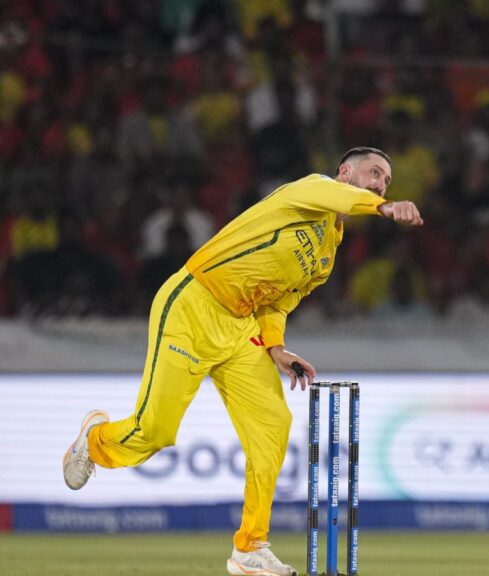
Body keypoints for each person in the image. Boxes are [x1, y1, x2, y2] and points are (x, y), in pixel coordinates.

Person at [62, 147, 423, 576]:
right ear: (345, 171)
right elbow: (345, 199)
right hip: (194, 305)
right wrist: (384, 207)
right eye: (374, 173)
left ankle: (249, 548)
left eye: (386, 181)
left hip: (240, 330)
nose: (381, 183)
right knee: (155, 432)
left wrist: (275, 348)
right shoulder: (311, 190)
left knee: (274, 425)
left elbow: (279, 301)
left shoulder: (327, 254)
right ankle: (96, 440)